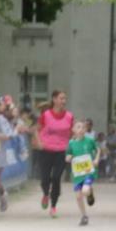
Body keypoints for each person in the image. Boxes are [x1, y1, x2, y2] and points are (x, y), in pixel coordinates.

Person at [36, 90, 73, 218]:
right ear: (54, 99)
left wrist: (72, 147)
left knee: (56, 178)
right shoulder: (45, 115)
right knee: (45, 178)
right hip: (46, 150)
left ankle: (53, 207)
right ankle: (46, 194)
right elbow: (36, 130)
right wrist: (39, 142)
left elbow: (72, 132)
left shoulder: (69, 116)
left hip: (61, 151)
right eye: (61, 98)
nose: (64, 101)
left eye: (65, 98)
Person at [65, 120, 99, 226]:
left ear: (86, 130)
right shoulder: (71, 143)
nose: (81, 129)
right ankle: (84, 216)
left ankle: (89, 192)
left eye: (83, 127)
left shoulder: (90, 141)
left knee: (84, 190)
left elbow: (98, 149)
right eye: (78, 127)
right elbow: (68, 155)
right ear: (73, 130)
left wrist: (96, 159)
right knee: (78, 197)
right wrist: (68, 158)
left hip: (89, 172)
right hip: (77, 174)